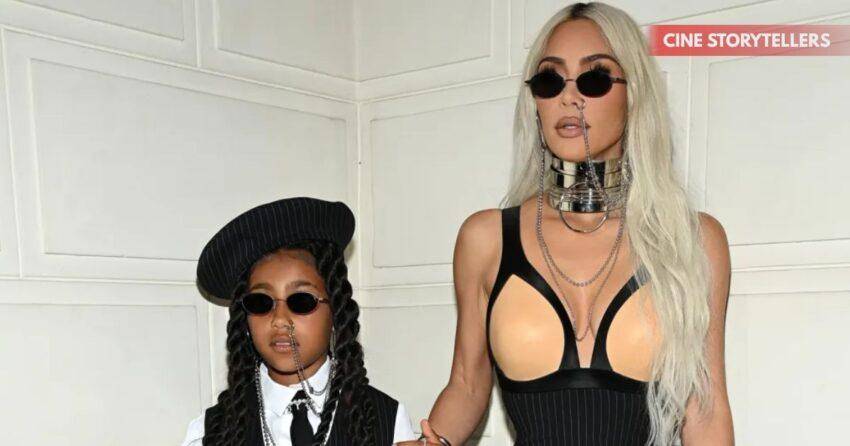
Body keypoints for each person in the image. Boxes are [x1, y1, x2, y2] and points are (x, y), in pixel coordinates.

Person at [402, 2, 734, 445]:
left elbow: (705, 412)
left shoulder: (693, 240)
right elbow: (467, 384)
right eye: (550, 80)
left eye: (595, 79)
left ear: (635, 95)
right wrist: (433, 441)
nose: (569, 97)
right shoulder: (486, 240)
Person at [180, 197, 417, 445]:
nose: (280, 320)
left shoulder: (386, 420)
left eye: (301, 301)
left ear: (336, 310)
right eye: (261, 302)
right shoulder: (210, 432)